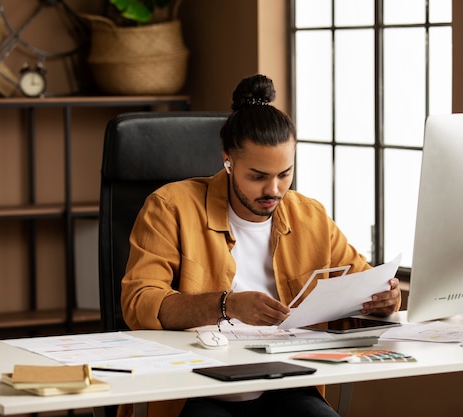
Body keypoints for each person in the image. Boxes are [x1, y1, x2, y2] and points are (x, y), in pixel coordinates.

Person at [121, 74, 401, 417]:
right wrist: (227, 305)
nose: (274, 190)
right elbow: (140, 303)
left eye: (285, 173)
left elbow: (361, 283)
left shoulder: (309, 216)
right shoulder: (170, 207)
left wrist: (384, 299)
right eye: (257, 176)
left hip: (286, 382)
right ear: (228, 161)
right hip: (198, 387)